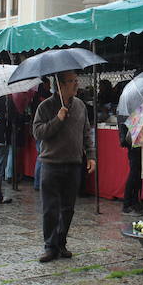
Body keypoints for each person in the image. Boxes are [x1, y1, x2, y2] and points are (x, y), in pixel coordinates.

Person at [32, 70, 96, 262]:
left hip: (74, 164)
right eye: (71, 81)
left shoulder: (80, 105)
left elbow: (86, 132)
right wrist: (57, 120)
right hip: (51, 164)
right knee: (50, 208)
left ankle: (61, 242)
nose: (76, 84)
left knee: (68, 208)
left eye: (76, 80)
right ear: (59, 85)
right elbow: (38, 132)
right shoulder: (45, 106)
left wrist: (91, 156)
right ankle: (50, 246)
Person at [32, 77, 52, 190]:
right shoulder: (45, 98)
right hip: (43, 129)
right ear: (44, 84)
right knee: (42, 156)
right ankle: (39, 183)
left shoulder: (35, 97)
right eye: (48, 84)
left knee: (40, 156)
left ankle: (38, 183)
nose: (50, 86)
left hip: (37, 128)